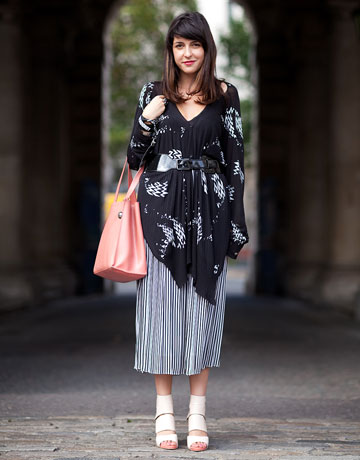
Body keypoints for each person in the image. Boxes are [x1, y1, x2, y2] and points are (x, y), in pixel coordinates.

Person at [126, 11, 249, 452]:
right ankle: (164, 413)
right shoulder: (153, 93)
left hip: (209, 216)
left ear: (206, 48)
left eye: (194, 44)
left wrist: (237, 221)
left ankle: (197, 413)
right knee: (161, 314)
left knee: (202, 314)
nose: (187, 53)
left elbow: (235, 162)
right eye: (179, 45)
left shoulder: (226, 95)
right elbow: (135, 158)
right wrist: (146, 120)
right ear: (170, 50)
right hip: (159, 216)